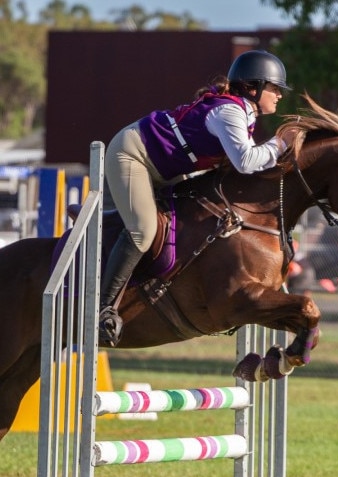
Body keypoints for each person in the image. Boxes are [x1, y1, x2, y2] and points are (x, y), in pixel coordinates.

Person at [99, 49, 292, 347]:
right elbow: (246, 161)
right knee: (144, 230)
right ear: (254, 87)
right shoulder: (230, 112)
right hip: (132, 154)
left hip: (165, 166)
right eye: (275, 88)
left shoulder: (243, 113)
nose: (279, 95)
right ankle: (103, 309)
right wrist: (280, 143)